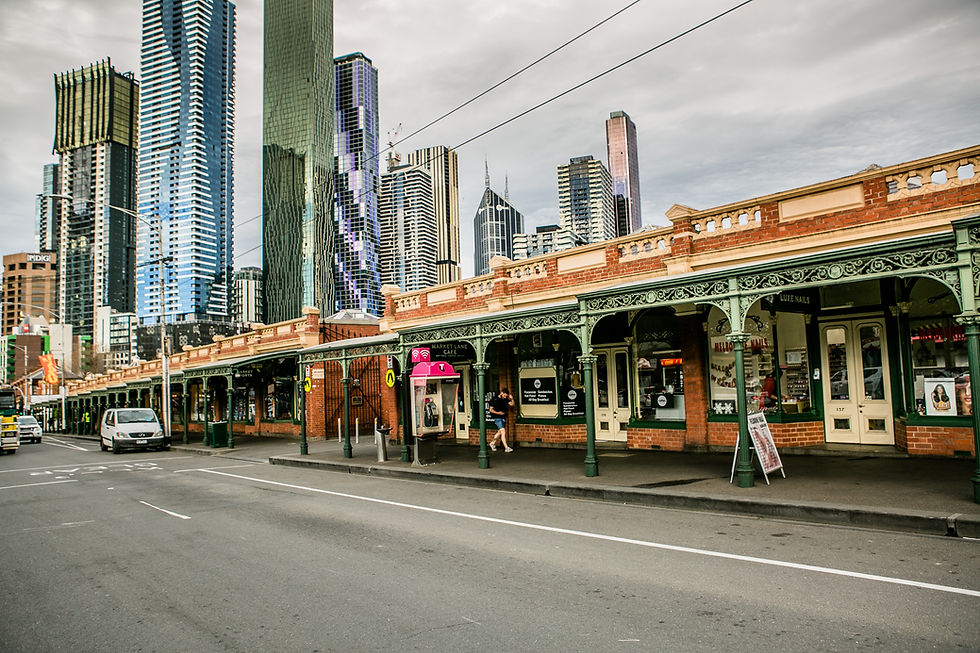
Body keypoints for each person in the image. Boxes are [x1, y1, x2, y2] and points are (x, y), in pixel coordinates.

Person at [488, 387, 514, 452]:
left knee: (499, 432)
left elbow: (512, 404)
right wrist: (498, 413)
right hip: (497, 418)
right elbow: (491, 410)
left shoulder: (505, 399)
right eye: (504, 395)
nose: (505, 397)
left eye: (506, 396)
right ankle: (506, 447)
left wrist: (512, 399)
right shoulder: (494, 399)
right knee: (503, 431)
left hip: (503, 417)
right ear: (502, 393)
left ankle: (492, 443)